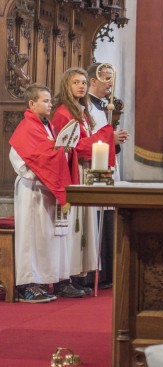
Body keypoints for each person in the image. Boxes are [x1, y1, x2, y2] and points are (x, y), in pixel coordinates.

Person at [9, 84, 79, 303]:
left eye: (50, 100)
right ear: (32, 104)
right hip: (33, 191)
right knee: (32, 238)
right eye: (45, 101)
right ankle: (28, 284)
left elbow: (51, 152)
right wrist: (44, 171)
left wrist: (64, 151)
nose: (50, 104)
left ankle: (52, 279)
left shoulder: (48, 126)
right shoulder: (26, 127)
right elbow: (20, 158)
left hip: (48, 190)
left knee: (50, 238)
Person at [51, 67, 116, 298]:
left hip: (85, 169)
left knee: (84, 227)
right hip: (72, 171)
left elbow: (84, 141)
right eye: (76, 83)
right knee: (72, 229)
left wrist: (99, 139)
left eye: (83, 83)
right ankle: (64, 278)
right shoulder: (62, 113)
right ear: (66, 86)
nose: (81, 86)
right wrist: (104, 136)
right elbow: (72, 145)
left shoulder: (81, 112)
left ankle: (77, 275)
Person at [86, 62, 129, 289]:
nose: (110, 83)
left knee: (108, 213)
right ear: (93, 80)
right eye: (106, 78)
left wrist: (116, 140)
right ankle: (95, 272)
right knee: (96, 215)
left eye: (111, 78)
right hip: (92, 168)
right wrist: (111, 139)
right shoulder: (86, 108)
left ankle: (107, 273)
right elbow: (87, 138)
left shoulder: (103, 106)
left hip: (106, 164)